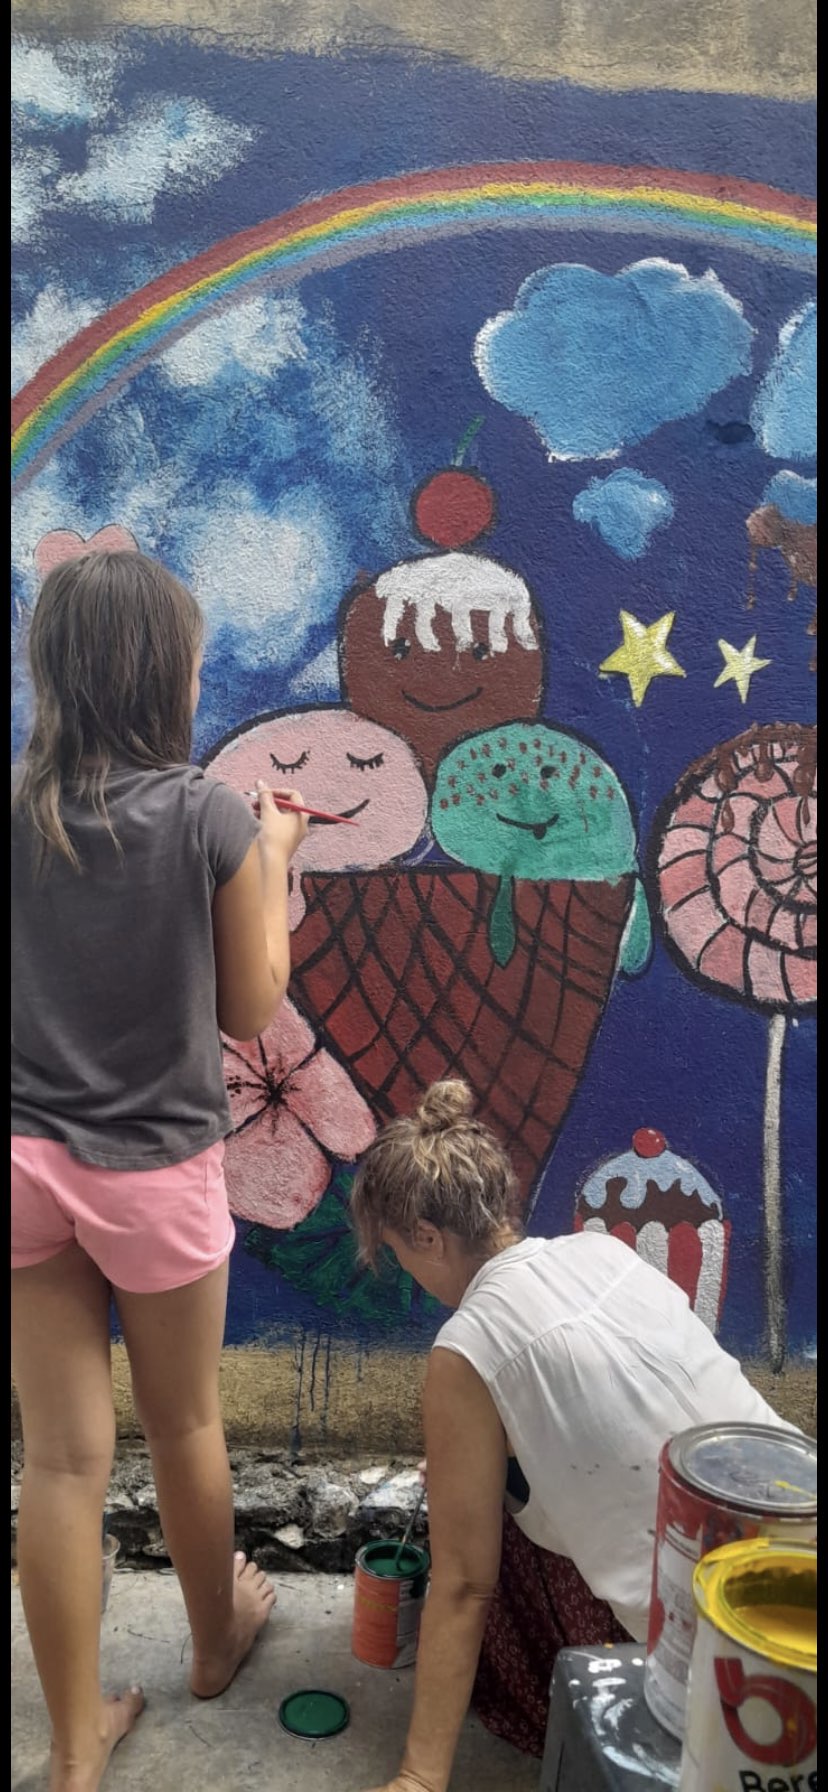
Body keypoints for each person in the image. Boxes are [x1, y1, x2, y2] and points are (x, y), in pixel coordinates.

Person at [11, 549, 308, 1792]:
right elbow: (252, 1005)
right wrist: (275, 857)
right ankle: (213, 1637)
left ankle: (74, 1746)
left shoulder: (18, 813)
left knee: (60, 1459)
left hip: (24, 1163)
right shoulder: (208, 815)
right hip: (158, 1172)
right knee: (184, 1421)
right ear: (163, 679)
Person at [350, 1079, 790, 1792]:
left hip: (728, 1665)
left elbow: (462, 1586)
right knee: (485, 1481)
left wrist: (418, 1778)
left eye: (398, 1249)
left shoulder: (466, 1349)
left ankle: (554, 1703)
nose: (404, 1265)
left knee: (472, 1522)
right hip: (792, 1527)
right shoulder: (603, 1252)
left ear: (428, 1237)